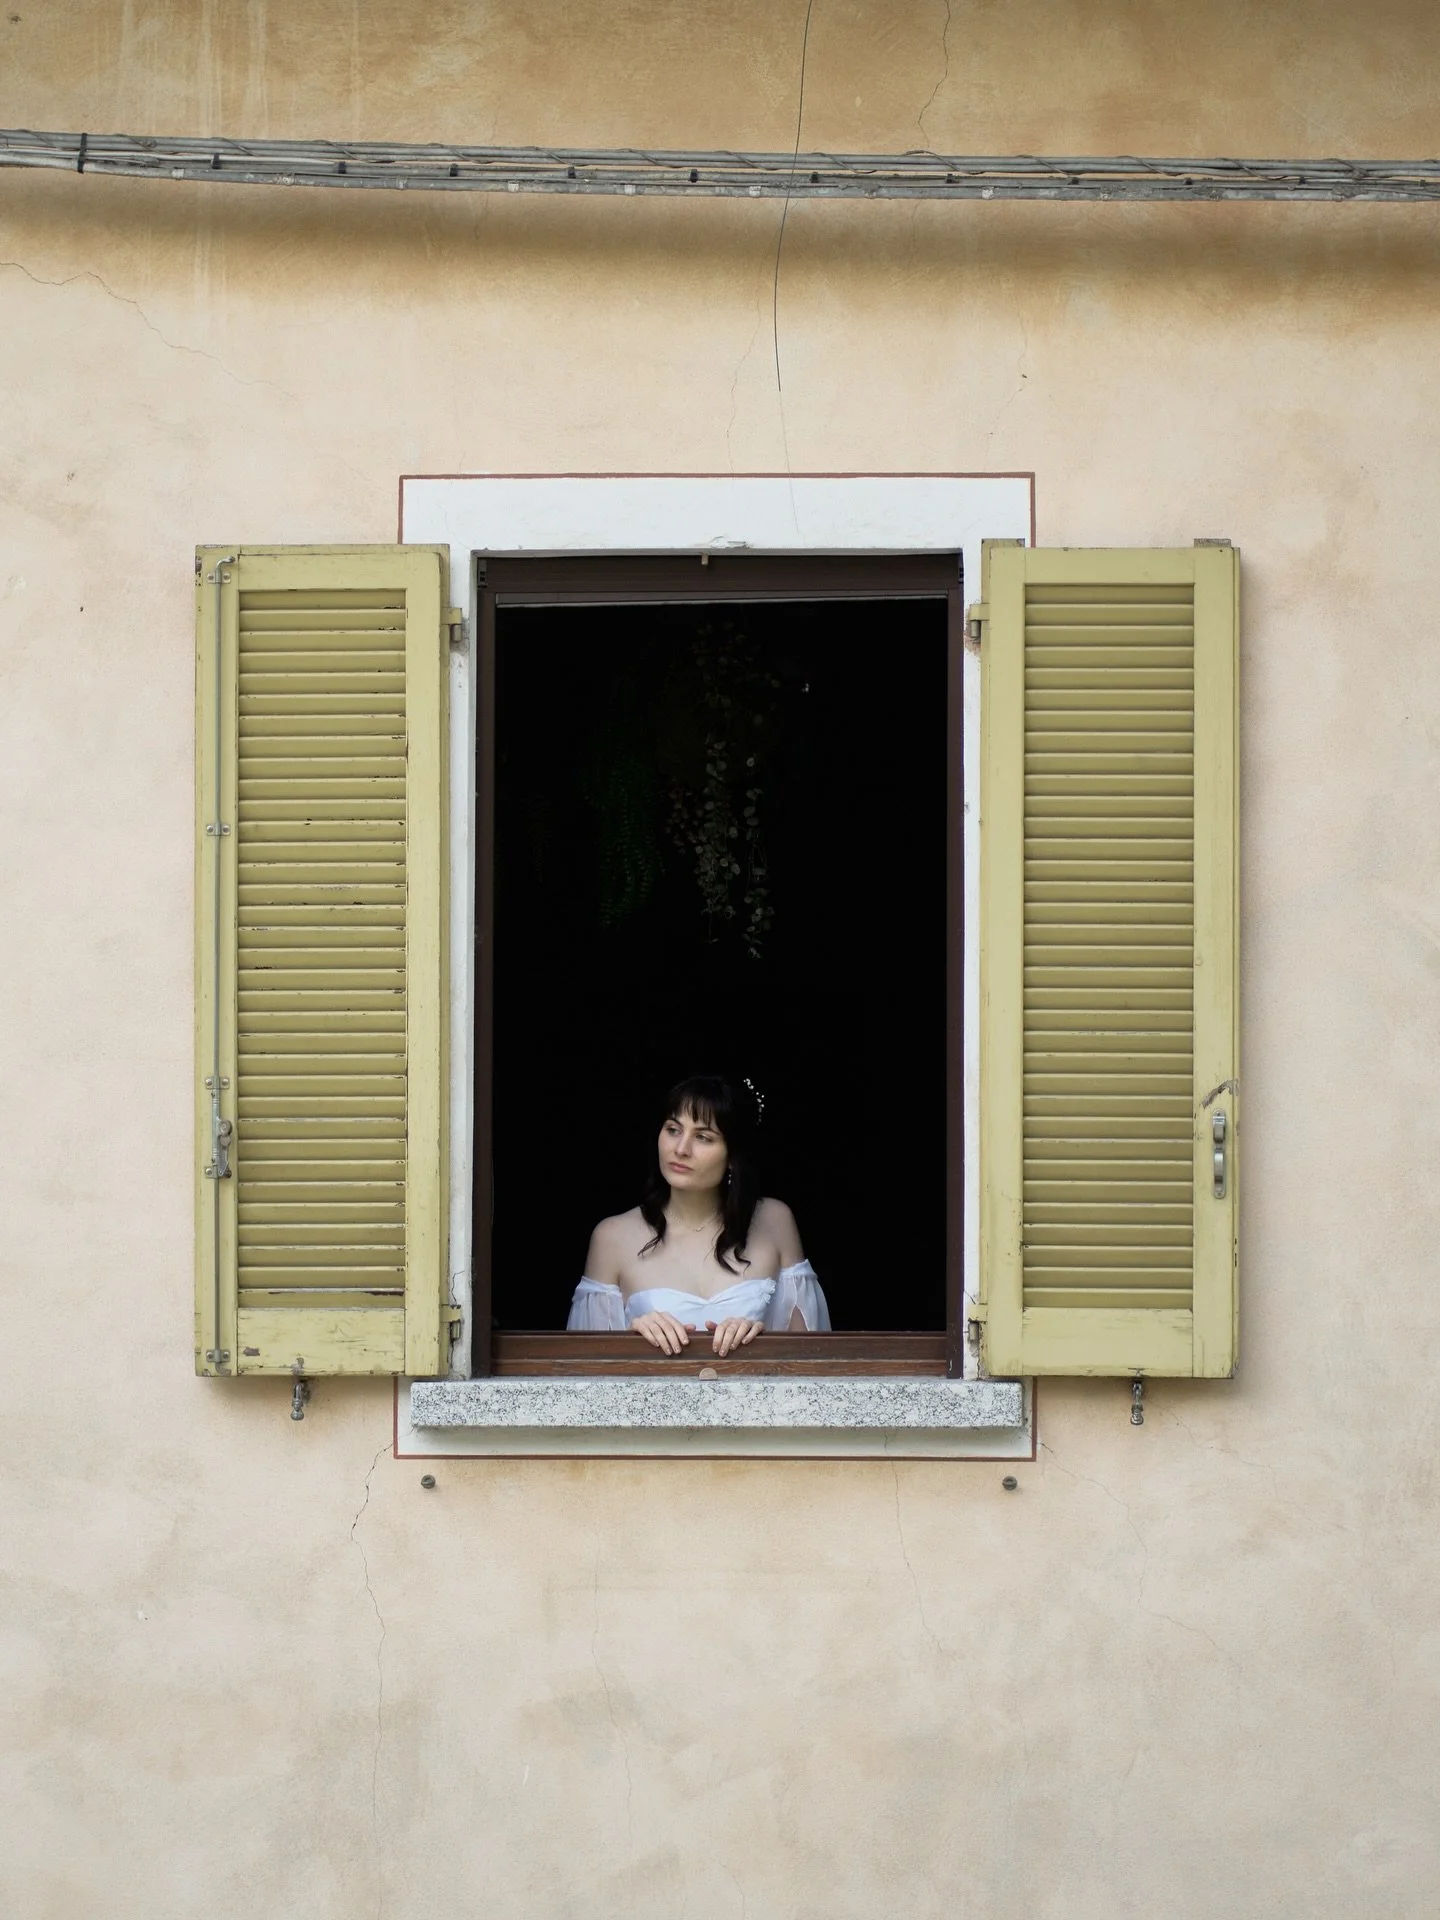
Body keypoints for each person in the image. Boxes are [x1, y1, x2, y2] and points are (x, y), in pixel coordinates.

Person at [566, 1073, 831, 1354]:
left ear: (732, 1156)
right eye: (673, 1129)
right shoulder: (612, 1236)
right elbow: (586, 1366)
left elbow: (810, 1357)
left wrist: (761, 1339)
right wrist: (632, 1340)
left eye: (703, 1137)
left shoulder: (774, 1220)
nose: (681, 1149)